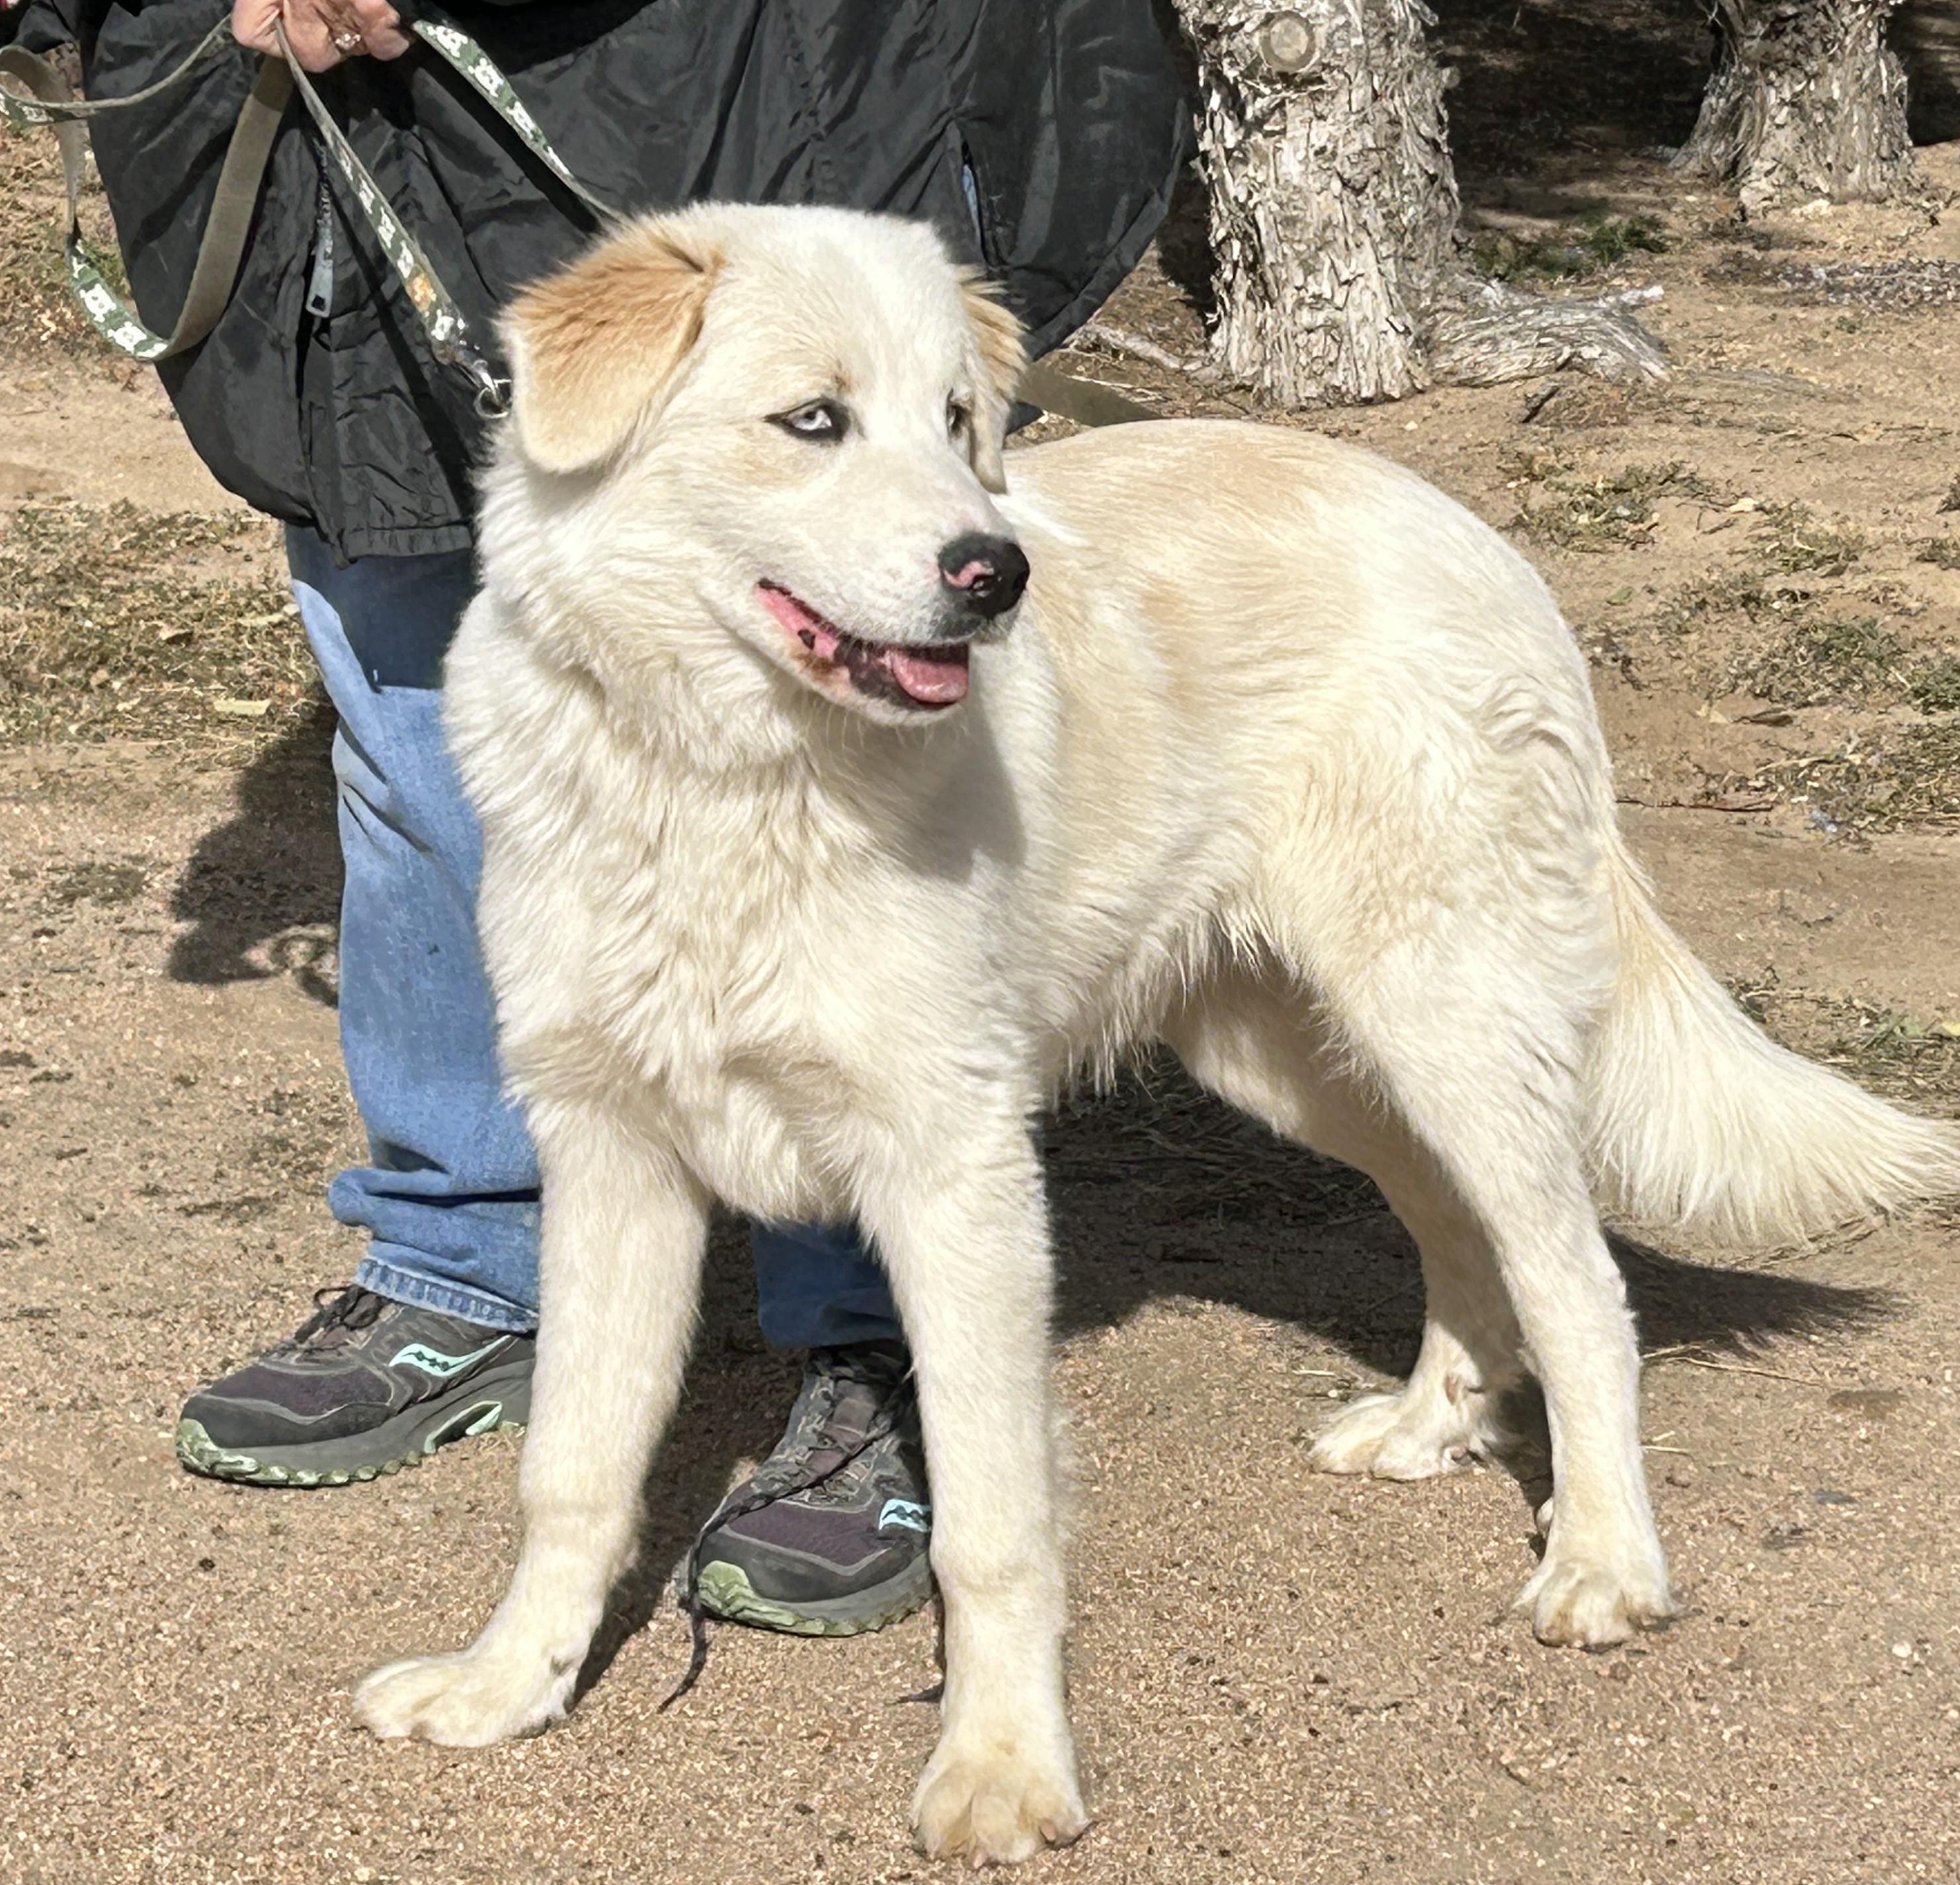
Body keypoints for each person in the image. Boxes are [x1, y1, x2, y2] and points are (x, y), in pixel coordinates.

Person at [16, 0, 1184, 1636]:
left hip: (736, 71)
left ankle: (871, 1334)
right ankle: (462, 1251)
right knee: (420, 694)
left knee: (834, 716)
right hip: (326, 129)